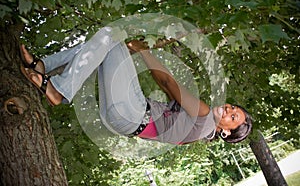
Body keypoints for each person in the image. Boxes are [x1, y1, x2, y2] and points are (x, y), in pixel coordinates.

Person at [20, 27, 252, 145]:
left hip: (135, 114)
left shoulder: (203, 115)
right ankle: (43, 65)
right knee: (105, 46)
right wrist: (142, 53)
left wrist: (144, 51)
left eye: (233, 118)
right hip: (125, 121)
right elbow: (166, 88)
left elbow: (167, 82)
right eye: (234, 109)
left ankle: (58, 90)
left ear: (225, 131)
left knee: (111, 35)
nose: (229, 110)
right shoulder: (199, 131)